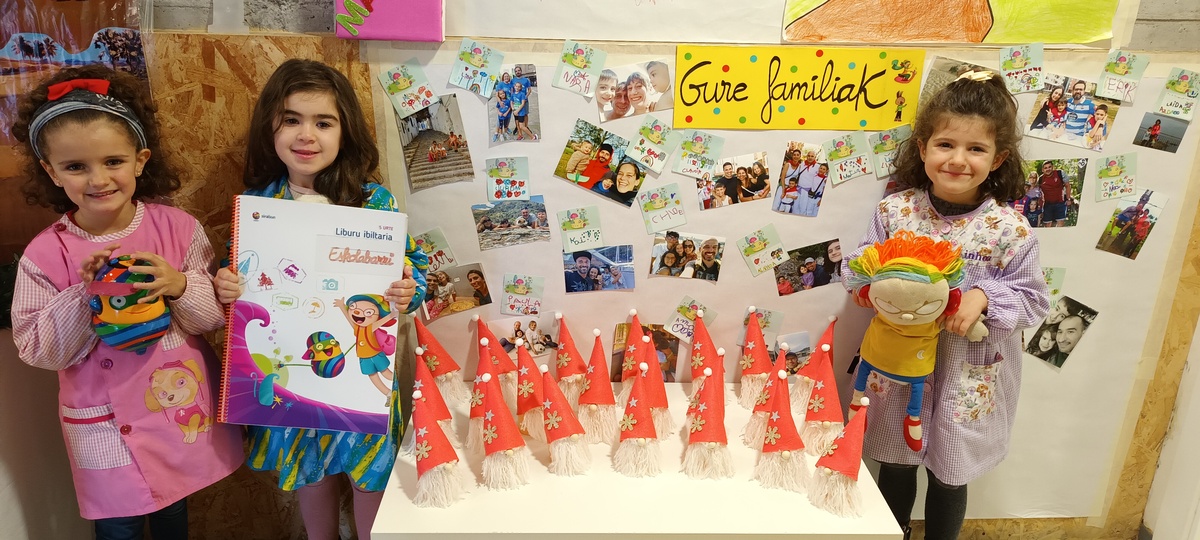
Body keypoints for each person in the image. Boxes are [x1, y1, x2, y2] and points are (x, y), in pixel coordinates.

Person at [12, 65, 244, 539]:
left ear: (140, 161)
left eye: (113, 161)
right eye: (75, 167)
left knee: (173, 513)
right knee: (118, 525)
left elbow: (211, 321)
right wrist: (84, 294)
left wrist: (179, 284)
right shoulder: (45, 253)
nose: (98, 179)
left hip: (174, 409)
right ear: (50, 171)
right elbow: (38, 349)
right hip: (105, 423)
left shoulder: (177, 228)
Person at [211, 59, 429, 540]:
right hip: (294, 373)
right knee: (309, 470)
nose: (306, 135)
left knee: (371, 474)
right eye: (291, 119)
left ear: (344, 131)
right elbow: (239, 280)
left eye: (323, 122)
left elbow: (414, 271)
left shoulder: (374, 202)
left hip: (361, 376)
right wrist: (226, 288)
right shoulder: (259, 206)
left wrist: (408, 289)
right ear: (270, 126)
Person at [841, 70, 1049, 540]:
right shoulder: (895, 213)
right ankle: (892, 532)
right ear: (922, 148)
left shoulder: (1010, 229)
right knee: (895, 462)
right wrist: (871, 281)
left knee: (950, 474)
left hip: (968, 372)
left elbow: (1035, 299)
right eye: (945, 144)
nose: (958, 160)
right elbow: (859, 267)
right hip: (898, 366)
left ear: (998, 158)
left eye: (976, 149)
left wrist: (985, 296)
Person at [1038, 160, 1070, 227]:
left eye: (1049, 167)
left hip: (1060, 203)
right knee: (1048, 224)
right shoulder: (1041, 179)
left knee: (1060, 223)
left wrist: (1068, 199)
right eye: (1045, 168)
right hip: (1047, 204)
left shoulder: (1060, 173)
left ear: (1053, 167)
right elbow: (1038, 192)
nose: (1048, 169)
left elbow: (1067, 186)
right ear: (1043, 170)